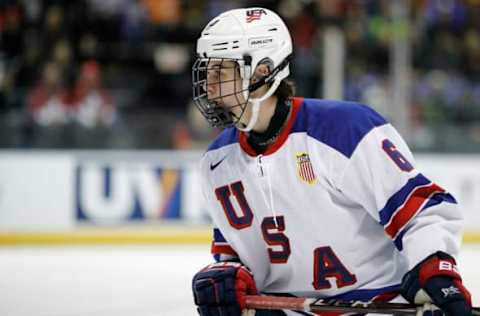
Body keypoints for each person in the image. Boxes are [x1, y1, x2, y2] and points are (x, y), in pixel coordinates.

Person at [190, 7, 472, 316]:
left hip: (379, 308)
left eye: (221, 72)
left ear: (262, 69)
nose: (209, 85)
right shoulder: (216, 162)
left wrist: (435, 270)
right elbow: (233, 253)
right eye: (206, 72)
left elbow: (421, 210)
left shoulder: (345, 129)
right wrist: (227, 276)